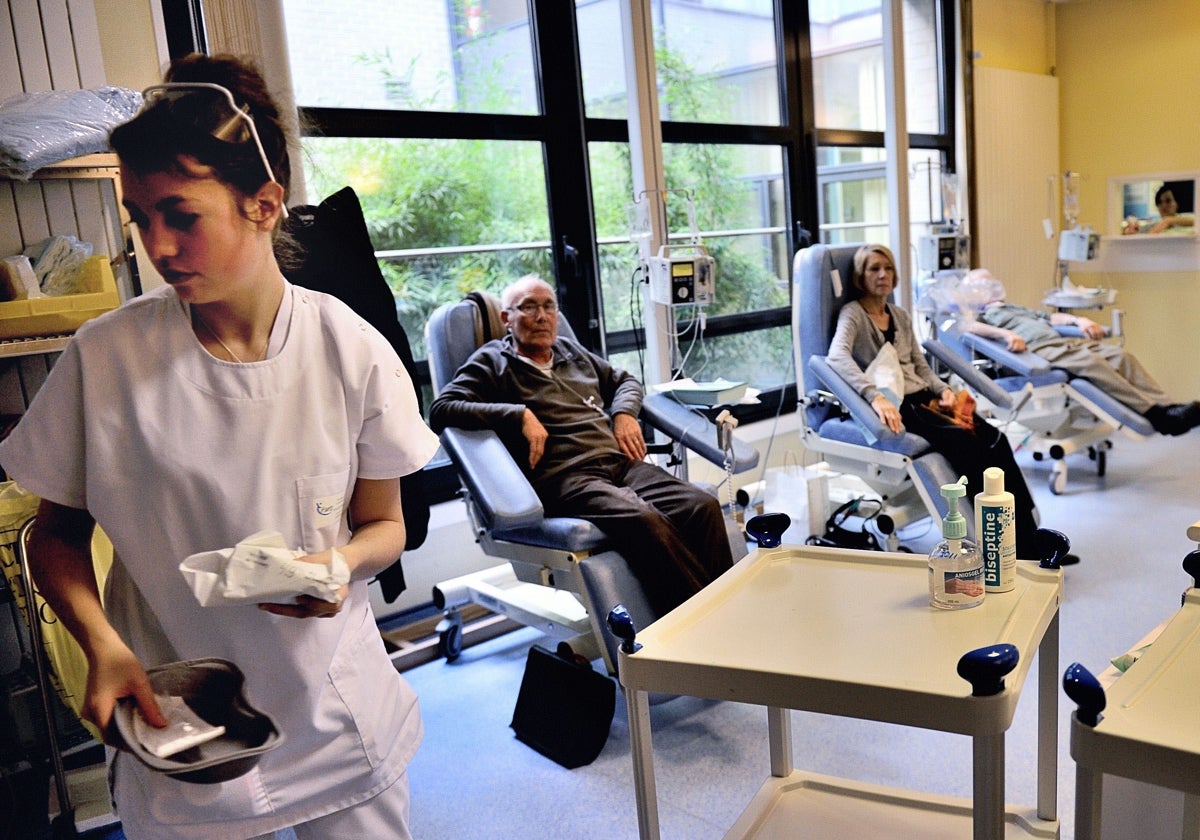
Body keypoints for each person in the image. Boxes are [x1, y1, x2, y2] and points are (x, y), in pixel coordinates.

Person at [0, 54, 440, 839]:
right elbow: (54, 535)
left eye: (182, 214)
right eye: (139, 217)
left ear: (263, 205)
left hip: (335, 713)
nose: (158, 247)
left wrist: (339, 566)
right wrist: (100, 643)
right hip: (181, 719)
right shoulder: (106, 360)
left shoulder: (349, 349)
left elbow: (386, 527)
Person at [428, 275, 733, 617]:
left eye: (548, 306)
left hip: (618, 465)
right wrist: (518, 415)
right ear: (506, 319)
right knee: (646, 521)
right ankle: (695, 623)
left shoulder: (571, 352)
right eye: (529, 307)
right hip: (566, 477)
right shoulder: (492, 363)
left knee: (701, 505)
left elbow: (625, 380)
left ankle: (725, 611)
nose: (541, 316)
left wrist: (623, 414)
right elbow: (441, 409)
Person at [827, 244, 1058, 561]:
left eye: (888, 268)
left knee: (997, 441)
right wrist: (874, 396)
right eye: (873, 268)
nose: (882, 275)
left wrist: (944, 392)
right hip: (901, 406)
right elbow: (836, 357)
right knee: (971, 449)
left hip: (927, 399)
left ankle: (1030, 538)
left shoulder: (900, 316)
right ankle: (1001, 549)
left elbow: (921, 367)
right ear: (859, 276)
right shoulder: (853, 314)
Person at [963, 268, 1200, 436]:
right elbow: (968, 328)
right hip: (1037, 352)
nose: (991, 287)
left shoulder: (1010, 306)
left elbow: (1051, 317)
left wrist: (1080, 321)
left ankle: (1168, 408)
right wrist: (1006, 334)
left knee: (1121, 357)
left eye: (991, 281)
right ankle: (1159, 416)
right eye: (983, 284)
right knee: (1092, 363)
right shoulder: (979, 315)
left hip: (1062, 343)